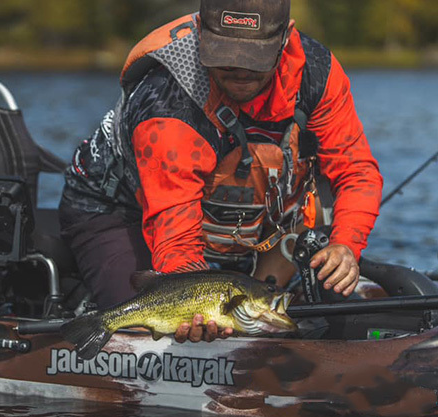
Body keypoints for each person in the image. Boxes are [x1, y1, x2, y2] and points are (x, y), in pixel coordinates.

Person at [59, 0, 383, 342]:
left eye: (253, 58)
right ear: (203, 35)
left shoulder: (318, 73)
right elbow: (177, 241)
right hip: (116, 208)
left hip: (251, 211)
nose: (240, 69)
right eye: (225, 56)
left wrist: (346, 244)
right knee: (143, 332)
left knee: (314, 209)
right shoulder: (168, 103)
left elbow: (356, 170)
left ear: (284, 39)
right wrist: (192, 309)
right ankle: (87, 300)